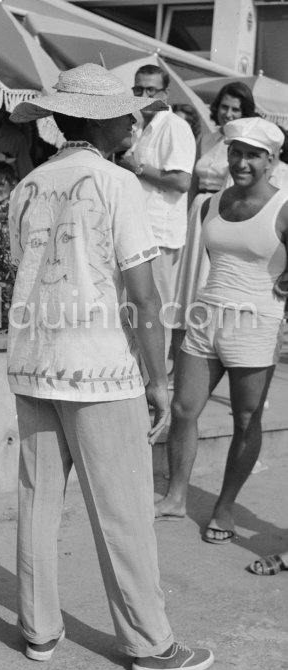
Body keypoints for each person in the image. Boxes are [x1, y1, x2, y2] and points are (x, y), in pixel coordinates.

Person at [7, 63, 214, 670]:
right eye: (128, 113)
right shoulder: (115, 182)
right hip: (98, 366)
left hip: (32, 359)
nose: (134, 121)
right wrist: (158, 379)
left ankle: (38, 631)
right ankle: (150, 645)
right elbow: (145, 298)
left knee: (38, 500)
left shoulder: (29, 186)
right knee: (123, 508)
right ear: (106, 121)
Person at [154, 118, 288, 544]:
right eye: (235, 152)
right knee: (182, 410)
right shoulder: (209, 203)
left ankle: (225, 508)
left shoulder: (284, 206)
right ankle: (175, 497)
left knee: (246, 420)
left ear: (271, 160)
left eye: (252, 155)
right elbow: (211, 258)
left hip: (256, 324)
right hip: (206, 316)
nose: (242, 162)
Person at [169, 83, 256, 375]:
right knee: (188, 289)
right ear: (217, 107)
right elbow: (192, 185)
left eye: (236, 109)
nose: (228, 113)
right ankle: (181, 366)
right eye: (225, 106)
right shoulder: (206, 138)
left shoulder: (247, 143)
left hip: (224, 213)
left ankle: (221, 359)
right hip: (197, 213)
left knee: (212, 284)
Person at [119, 65, 196, 361]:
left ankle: (155, 385)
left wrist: (137, 167)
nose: (144, 95)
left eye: (151, 90)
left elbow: (181, 181)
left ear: (165, 94)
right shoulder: (138, 127)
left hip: (160, 235)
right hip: (139, 229)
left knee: (153, 313)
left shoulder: (174, 127)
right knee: (135, 309)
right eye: (138, 89)